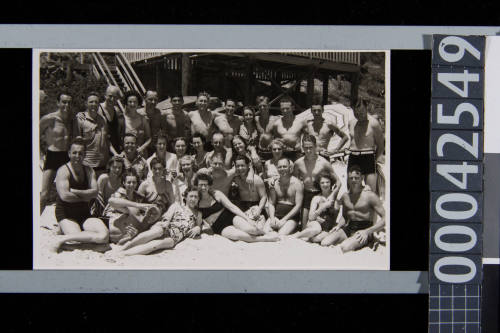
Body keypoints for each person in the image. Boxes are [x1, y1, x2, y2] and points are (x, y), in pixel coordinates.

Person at [51, 137, 109, 252]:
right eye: (74, 153)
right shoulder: (63, 171)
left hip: (84, 214)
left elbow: (95, 193)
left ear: (85, 155)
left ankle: (66, 241)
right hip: (66, 214)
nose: (77, 156)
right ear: (69, 154)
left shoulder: (89, 170)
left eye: (81, 153)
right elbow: (65, 196)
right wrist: (85, 197)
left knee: (104, 236)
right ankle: (65, 236)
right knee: (78, 238)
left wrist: (74, 191)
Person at [117, 187, 203, 256]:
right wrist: (166, 222)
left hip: (175, 237)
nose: (193, 199)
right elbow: (168, 216)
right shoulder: (177, 206)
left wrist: (198, 227)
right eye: (191, 196)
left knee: (155, 245)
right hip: (165, 227)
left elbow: (199, 225)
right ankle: (124, 248)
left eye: (196, 197)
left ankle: (125, 254)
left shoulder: (198, 214)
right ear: (185, 197)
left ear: (199, 199)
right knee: (154, 233)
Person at [196, 173, 278, 242]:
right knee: (240, 236)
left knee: (251, 230)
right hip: (219, 227)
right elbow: (196, 218)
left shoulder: (216, 194)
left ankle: (264, 233)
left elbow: (232, 207)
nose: (203, 187)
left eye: (205, 185)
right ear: (197, 185)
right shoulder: (196, 201)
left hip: (230, 217)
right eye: (200, 185)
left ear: (209, 185)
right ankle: (264, 239)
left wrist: (247, 219)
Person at [320, 165, 386, 252]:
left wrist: (367, 232)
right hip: (349, 227)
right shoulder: (345, 196)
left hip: (364, 229)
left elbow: (385, 218)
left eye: (356, 178)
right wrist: (339, 225)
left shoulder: (370, 195)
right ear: (348, 178)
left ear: (362, 178)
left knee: (345, 247)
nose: (353, 180)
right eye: (351, 178)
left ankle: (365, 241)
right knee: (325, 243)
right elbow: (345, 216)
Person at [293, 134, 341, 229]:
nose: (308, 150)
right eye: (306, 148)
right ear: (302, 147)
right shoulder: (298, 163)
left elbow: (338, 182)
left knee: (325, 226)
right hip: (306, 194)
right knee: (304, 227)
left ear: (315, 147)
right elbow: (294, 182)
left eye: (311, 147)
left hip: (321, 194)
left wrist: (332, 195)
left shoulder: (324, 163)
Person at [39, 92, 73, 213]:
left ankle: (63, 221)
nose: (67, 105)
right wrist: (40, 154)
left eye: (69, 102)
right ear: (58, 103)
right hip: (52, 156)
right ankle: (36, 219)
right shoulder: (50, 118)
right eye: (64, 102)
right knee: (44, 193)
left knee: (65, 192)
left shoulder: (70, 120)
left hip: (65, 157)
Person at [105, 170, 157, 244]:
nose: (131, 185)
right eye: (129, 182)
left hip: (126, 226)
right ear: (124, 183)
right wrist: (138, 205)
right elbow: (111, 201)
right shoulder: (119, 194)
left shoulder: (139, 197)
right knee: (133, 210)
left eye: (134, 182)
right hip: (111, 223)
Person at [347, 98, 384, 196]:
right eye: (356, 113)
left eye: (362, 112)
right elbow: (352, 140)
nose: (359, 115)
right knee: (351, 190)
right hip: (353, 157)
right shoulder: (351, 122)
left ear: (366, 108)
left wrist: (374, 161)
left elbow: (381, 145)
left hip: (368, 157)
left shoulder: (374, 123)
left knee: (370, 193)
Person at [291, 172, 339, 242]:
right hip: (314, 223)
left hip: (327, 226)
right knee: (317, 229)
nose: (325, 185)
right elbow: (310, 217)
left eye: (327, 182)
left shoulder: (335, 198)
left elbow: (335, 218)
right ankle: (296, 236)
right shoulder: (316, 198)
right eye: (322, 183)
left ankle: (308, 237)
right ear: (319, 184)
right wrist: (322, 207)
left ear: (331, 183)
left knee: (316, 239)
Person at [73, 92, 110, 176]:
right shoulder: (80, 119)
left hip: (103, 163)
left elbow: (107, 140)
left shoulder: (103, 119)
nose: (94, 104)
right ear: (86, 104)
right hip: (88, 163)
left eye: (96, 102)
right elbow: (76, 142)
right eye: (91, 102)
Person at [265, 157, 304, 235]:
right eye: (280, 167)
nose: (282, 169)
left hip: (291, 218)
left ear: (290, 168)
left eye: (284, 166)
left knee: (281, 234)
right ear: (277, 168)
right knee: (266, 232)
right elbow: (271, 202)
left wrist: (284, 220)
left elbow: (298, 206)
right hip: (276, 215)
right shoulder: (274, 183)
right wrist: (272, 218)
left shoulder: (297, 184)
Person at [264, 97, 307, 161]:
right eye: (283, 109)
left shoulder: (301, 122)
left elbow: (309, 137)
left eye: (287, 108)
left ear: (293, 108)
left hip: (296, 153)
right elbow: (268, 137)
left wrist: (304, 149)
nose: (285, 111)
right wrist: (273, 143)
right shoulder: (276, 123)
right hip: (281, 154)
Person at [233, 154, 267, 222]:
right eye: (238, 166)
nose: (240, 168)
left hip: (256, 205)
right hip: (242, 206)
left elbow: (263, 196)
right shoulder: (235, 179)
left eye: (242, 165)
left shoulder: (256, 179)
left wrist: (259, 209)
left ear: (248, 165)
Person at [137, 90, 167, 157]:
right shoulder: (138, 113)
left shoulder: (160, 115)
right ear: (144, 98)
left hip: (154, 148)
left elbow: (164, 132)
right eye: (150, 99)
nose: (153, 102)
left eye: (155, 100)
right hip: (140, 148)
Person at [122, 90, 151, 156]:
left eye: (135, 102)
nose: (132, 104)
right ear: (126, 103)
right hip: (126, 155)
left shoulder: (143, 118)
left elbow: (149, 138)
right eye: (130, 102)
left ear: (138, 103)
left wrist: (142, 148)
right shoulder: (122, 119)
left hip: (141, 154)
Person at [98, 85, 124, 156]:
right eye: (110, 96)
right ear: (105, 96)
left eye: (115, 97)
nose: (112, 99)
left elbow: (119, 131)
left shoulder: (117, 110)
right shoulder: (98, 109)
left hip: (116, 148)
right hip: (103, 149)